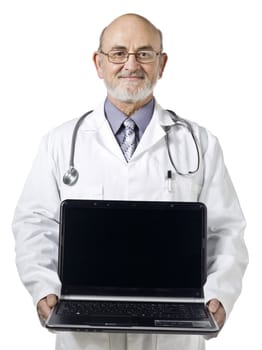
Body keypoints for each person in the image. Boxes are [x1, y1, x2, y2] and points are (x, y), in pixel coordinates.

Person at [13, 13, 248, 350]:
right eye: (119, 53)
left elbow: (226, 231)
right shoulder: (61, 143)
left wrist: (219, 296)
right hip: (85, 331)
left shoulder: (199, 143)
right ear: (99, 62)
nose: (131, 64)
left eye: (145, 53)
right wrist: (44, 287)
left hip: (172, 328)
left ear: (162, 63)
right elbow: (34, 224)